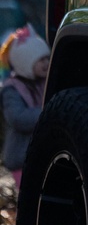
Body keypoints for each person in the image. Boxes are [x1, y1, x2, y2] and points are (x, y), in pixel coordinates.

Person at [0, 25, 50, 191]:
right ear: (25, 62)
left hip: (40, 152)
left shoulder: (45, 82)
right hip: (21, 156)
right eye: (40, 60)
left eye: (47, 58)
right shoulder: (11, 89)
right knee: (29, 193)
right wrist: (48, 114)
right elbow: (17, 118)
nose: (46, 63)